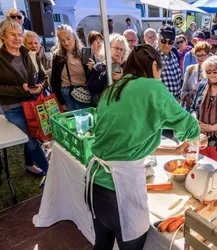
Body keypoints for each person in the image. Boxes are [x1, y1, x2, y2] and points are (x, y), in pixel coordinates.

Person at [86, 44, 203, 250]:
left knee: (102, 244)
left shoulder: (113, 88)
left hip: (95, 183)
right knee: (132, 244)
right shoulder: (151, 87)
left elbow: (128, 144)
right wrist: (196, 136)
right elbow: (188, 125)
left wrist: (174, 151)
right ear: (155, 66)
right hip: (119, 187)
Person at [0, 20, 48, 176]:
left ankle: (29, 165)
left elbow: (44, 77)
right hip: (13, 108)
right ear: (3, 36)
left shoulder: (29, 54)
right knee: (31, 140)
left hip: (33, 104)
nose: (17, 38)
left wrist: (40, 87)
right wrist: (20, 91)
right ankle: (51, 172)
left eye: (19, 35)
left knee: (35, 136)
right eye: (12, 35)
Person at [51, 24, 91, 111]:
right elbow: (54, 81)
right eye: (62, 40)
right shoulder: (57, 57)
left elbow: (92, 77)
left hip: (85, 94)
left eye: (68, 38)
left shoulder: (85, 53)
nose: (66, 43)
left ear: (74, 37)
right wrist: (60, 102)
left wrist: (93, 68)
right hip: (66, 95)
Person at [88, 33, 129, 98]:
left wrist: (122, 78)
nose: (118, 51)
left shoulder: (128, 66)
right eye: (116, 48)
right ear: (108, 48)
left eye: (121, 49)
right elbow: (92, 89)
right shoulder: (99, 67)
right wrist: (106, 73)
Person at [181, 41, 211, 109]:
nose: (200, 58)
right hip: (190, 110)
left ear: (208, 55)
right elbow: (183, 91)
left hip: (206, 110)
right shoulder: (190, 69)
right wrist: (192, 104)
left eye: (203, 55)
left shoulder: (213, 72)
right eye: (197, 55)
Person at [157, 25, 182, 100]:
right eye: (163, 41)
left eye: (170, 42)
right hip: (161, 103)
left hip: (175, 102)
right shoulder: (152, 57)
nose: (167, 45)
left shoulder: (174, 55)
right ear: (158, 39)